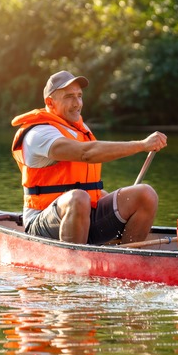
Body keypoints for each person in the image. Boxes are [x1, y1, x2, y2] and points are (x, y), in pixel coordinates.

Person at [11, 70, 167, 245]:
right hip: (41, 222)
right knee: (78, 198)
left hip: (83, 213)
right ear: (50, 102)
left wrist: (112, 205)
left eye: (79, 96)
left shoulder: (79, 127)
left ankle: (129, 259)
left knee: (145, 194)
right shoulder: (39, 133)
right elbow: (87, 153)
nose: (77, 103)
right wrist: (142, 145)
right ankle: (75, 266)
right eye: (69, 97)